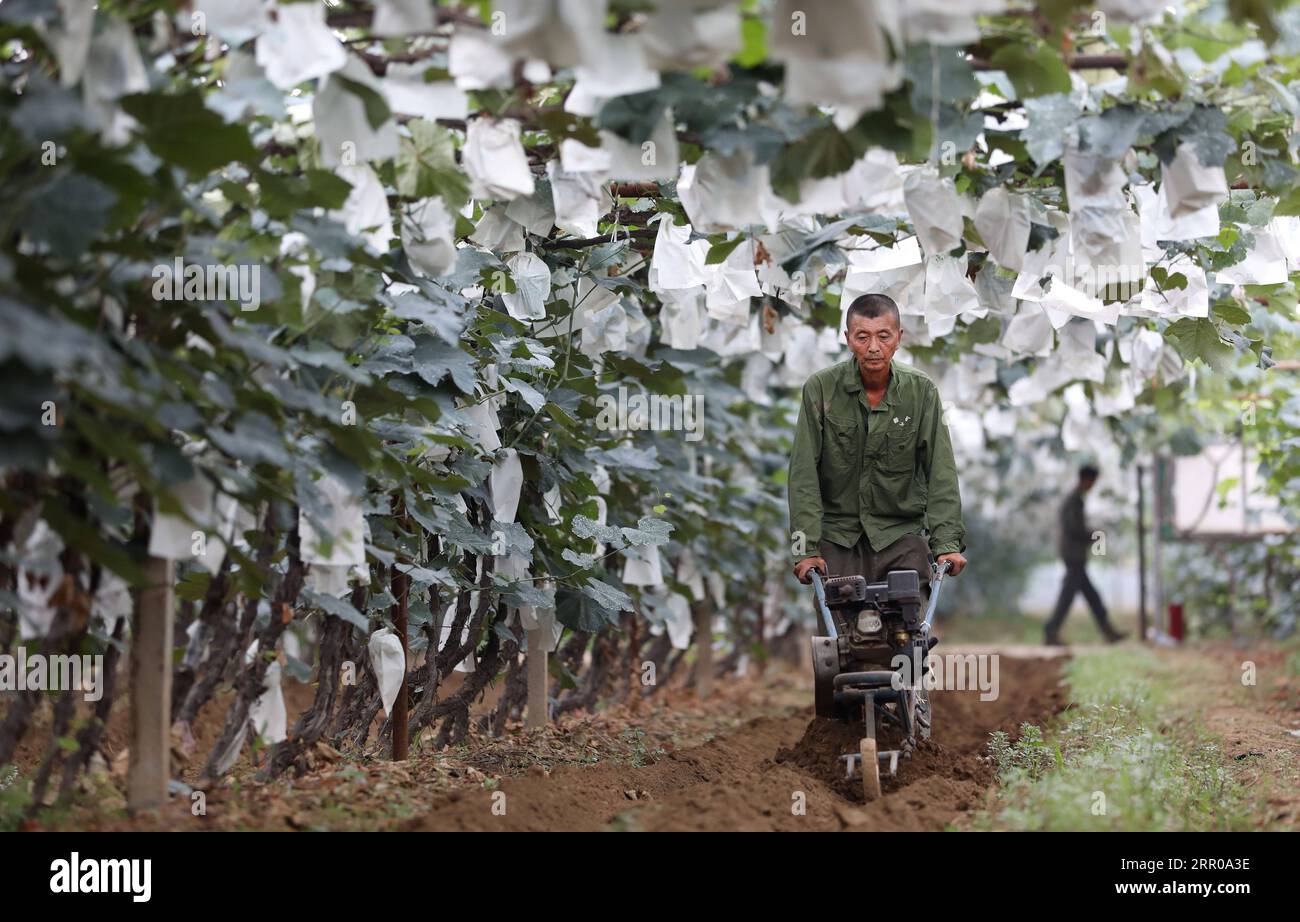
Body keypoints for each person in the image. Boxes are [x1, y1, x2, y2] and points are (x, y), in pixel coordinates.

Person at [787, 293, 966, 618]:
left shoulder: (921, 392)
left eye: (883, 336)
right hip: (839, 538)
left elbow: (940, 470)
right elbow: (803, 474)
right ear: (848, 339)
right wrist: (806, 550)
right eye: (862, 336)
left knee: (909, 631)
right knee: (837, 643)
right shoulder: (820, 389)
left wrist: (947, 544)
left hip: (900, 538)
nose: (873, 347)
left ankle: (913, 666)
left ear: (898, 338)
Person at [1044, 464, 1127, 645]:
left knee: (1090, 596)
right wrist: (1095, 535)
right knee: (1070, 597)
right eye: (1093, 482)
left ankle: (1108, 631)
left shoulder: (1075, 499)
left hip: (1075, 556)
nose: (1093, 485)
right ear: (1086, 480)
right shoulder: (1073, 500)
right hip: (1073, 556)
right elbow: (1073, 528)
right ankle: (1051, 632)